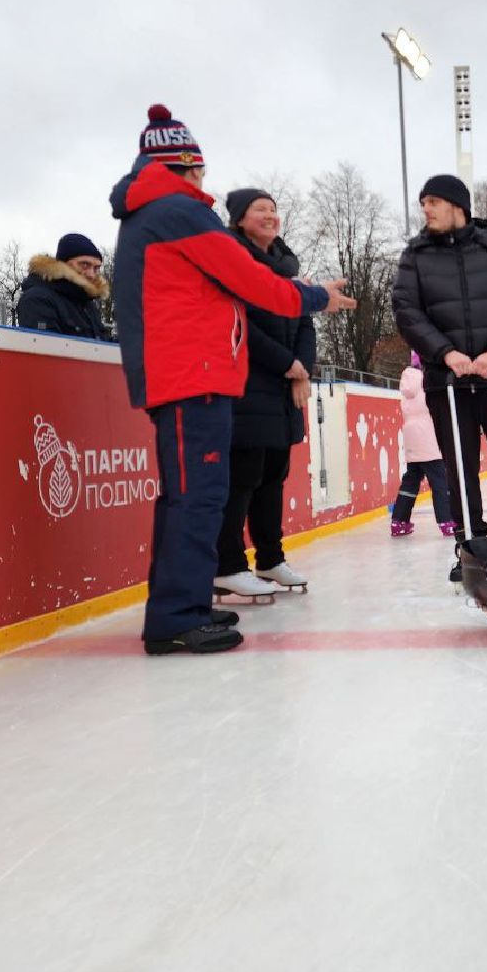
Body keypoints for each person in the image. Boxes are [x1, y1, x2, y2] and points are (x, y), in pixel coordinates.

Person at [111, 104, 354, 655]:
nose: (206, 183)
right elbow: (252, 281)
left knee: (189, 498)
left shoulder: (157, 213)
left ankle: (183, 604)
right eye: (200, 171)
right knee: (197, 499)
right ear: (186, 167)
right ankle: (177, 616)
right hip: (190, 376)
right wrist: (316, 297)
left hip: (190, 374)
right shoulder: (176, 211)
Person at [391, 174, 487, 581]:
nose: (426, 210)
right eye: (423, 203)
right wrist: (445, 354)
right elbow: (406, 310)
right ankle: (471, 546)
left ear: (459, 205)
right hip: (448, 382)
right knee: (459, 467)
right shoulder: (416, 256)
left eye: (433, 202)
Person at [213, 189, 315, 599]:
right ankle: (227, 564)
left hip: (283, 386)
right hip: (247, 384)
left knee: (274, 473)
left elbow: (305, 319)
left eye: (274, 209)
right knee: (244, 476)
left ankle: (270, 557)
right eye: (261, 210)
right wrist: (285, 364)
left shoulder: (287, 265)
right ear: (240, 219)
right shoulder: (232, 260)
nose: (271, 215)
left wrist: (302, 369)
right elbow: (239, 325)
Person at [391, 351, 456, 537]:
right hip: (428, 436)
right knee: (439, 480)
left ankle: (399, 520)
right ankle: (446, 520)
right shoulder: (426, 380)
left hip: (411, 435)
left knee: (411, 479)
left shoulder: (407, 381)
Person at [16, 233, 112, 339]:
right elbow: (44, 348)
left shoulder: (87, 304)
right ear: (64, 264)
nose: (91, 274)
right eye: (84, 265)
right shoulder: (38, 299)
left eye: (96, 268)